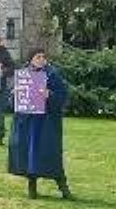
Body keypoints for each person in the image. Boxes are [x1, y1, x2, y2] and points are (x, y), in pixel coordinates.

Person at [8, 46, 73, 199]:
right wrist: (14, 94)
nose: (42, 60)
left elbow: (63, 96)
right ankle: (32, 187)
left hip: (46, 124)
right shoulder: (22, 75)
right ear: (31, 59)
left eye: (43, 57)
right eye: (38, 57)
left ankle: (63, 187)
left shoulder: (52, 75)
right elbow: (12, 103)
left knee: (51, 155)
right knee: (29, 156)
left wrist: (49, 94)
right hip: (28, 123)